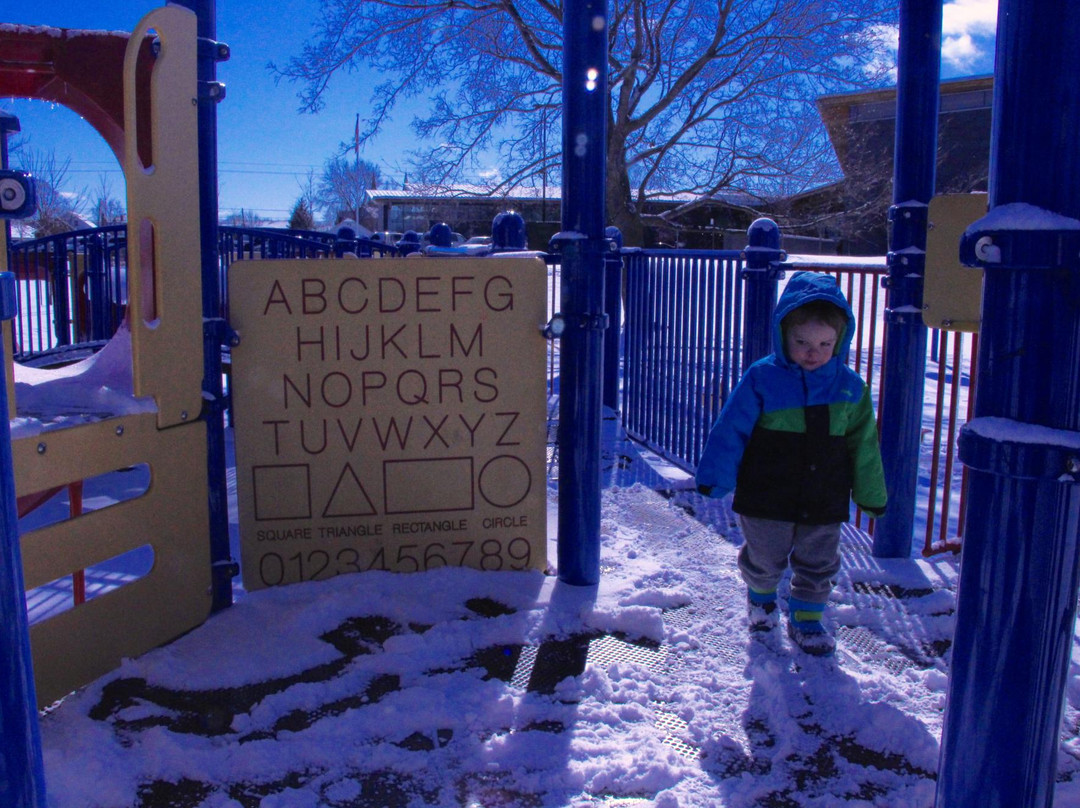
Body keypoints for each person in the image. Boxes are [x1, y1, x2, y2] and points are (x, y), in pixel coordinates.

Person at [695, 271, 887, 656]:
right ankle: (762, 599)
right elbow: (732, 428)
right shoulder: (763, 377)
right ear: (784, 335)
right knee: (765, 553)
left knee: (819, 559)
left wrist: (870, 492)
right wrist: (716, 475)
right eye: (801, 342)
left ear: (840, 340)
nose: (812, 352)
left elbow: (864, 444)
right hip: (768, 488)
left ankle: (807, 616)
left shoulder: (850, 388)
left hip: (823, 494)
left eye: (824, 343)